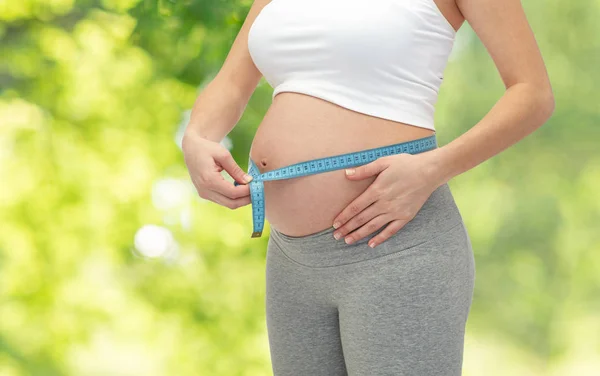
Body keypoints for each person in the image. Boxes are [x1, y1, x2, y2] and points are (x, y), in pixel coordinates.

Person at [182, 0, 555, 374]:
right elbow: (232, 82)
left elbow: (532, 93)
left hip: (396, 250)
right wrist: (197, 136)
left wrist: (433, 168)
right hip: (291, 261)